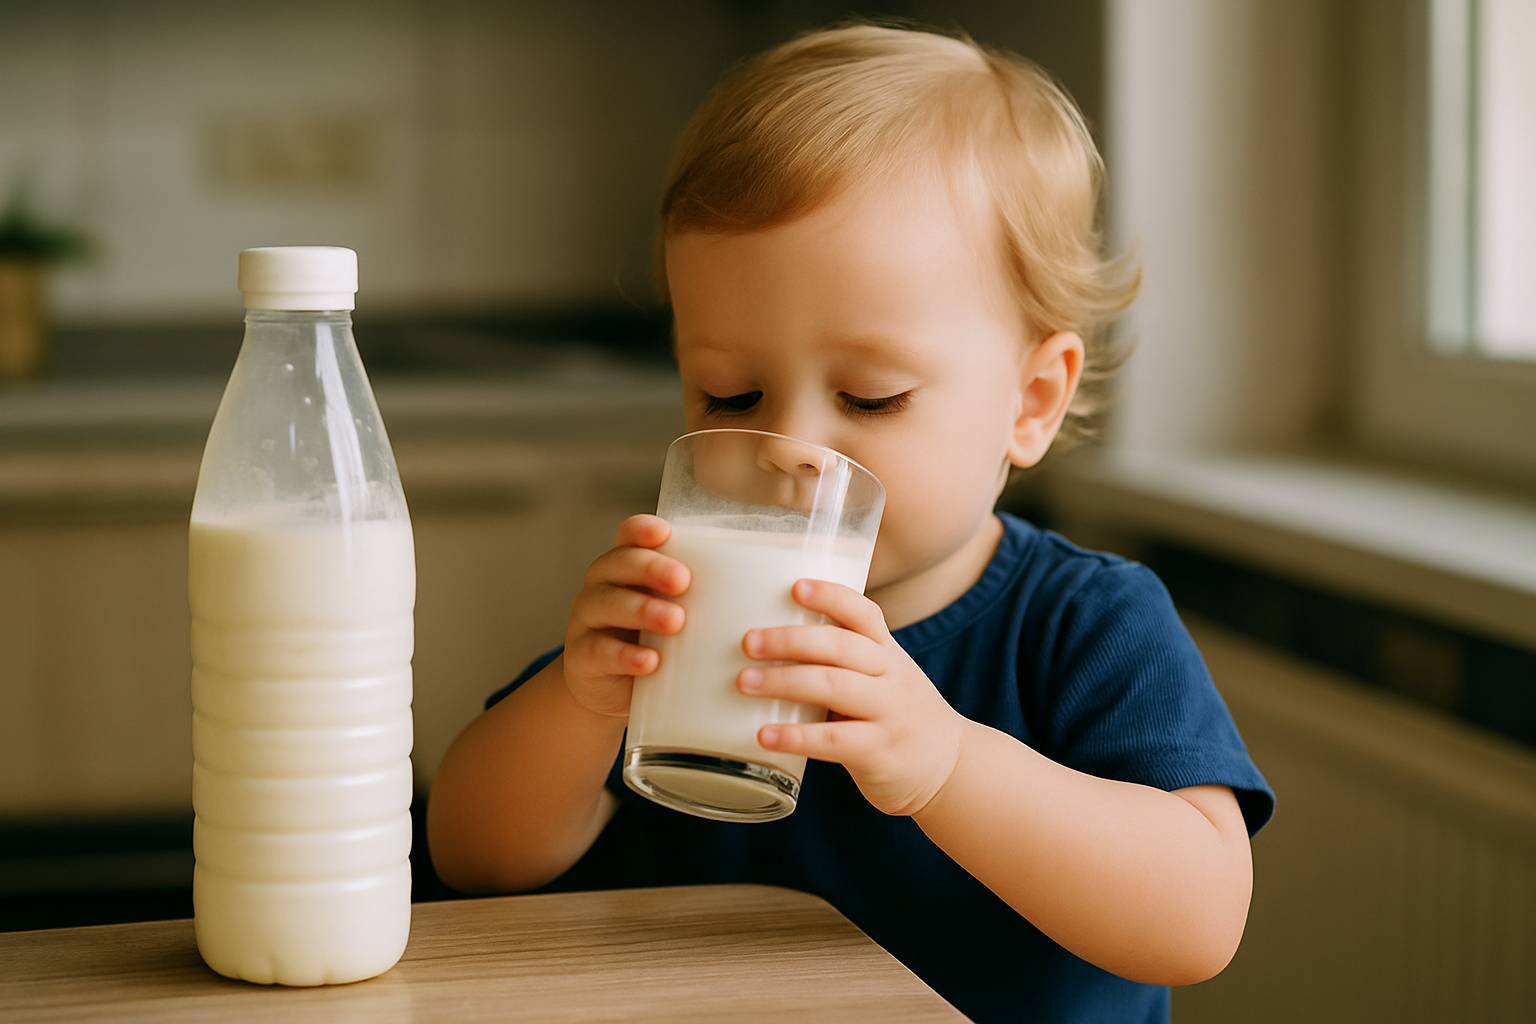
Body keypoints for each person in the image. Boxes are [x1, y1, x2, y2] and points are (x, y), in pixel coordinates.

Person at [428, 23, 1273, 1024]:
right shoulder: (694, 601)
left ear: (1032, 401)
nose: (788, 444)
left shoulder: (1085, 622)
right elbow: (470, 857)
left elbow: (1197, 918)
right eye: (731, 395)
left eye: (872, 398)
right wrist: (579, 702)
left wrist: (946, 763)